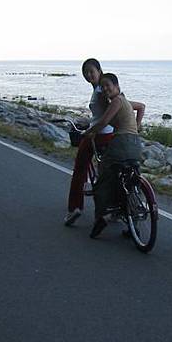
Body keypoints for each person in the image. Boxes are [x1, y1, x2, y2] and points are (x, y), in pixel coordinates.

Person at [83, 72, 145, 237]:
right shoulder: (125, 101)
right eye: (102, 87)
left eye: (107, 86)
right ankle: (133, 223)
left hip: (121, 143)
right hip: (135, 145)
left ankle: (103, 216)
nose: (104, 89)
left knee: (102, 179)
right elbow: (142, 106)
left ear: (117, 86)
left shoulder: (116, 101)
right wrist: (137, 127)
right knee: (130, 181)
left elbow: (103, 122)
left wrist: (89, 132)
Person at [64, 58, 115, 226]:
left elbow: (110, 108)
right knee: (109, 171)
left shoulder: (101, 89)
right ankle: (115, 207)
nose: (88, 75)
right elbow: (101, 114)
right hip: (108, 134)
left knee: (80, 168)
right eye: (85, 73)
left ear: (99, 70)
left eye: (91, 71)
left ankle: (74, 208)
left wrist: (92, 129)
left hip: (97, 135)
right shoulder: (100, 87)